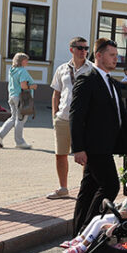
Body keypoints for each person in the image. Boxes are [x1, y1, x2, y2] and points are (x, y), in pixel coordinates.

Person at [70, 38, 127, 236]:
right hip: (93, 147)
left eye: (116, 55)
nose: (115, 59)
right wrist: (78, 148)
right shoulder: (87, 79)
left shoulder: (111, 82)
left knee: (88, 190)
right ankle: (89, 231)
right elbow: (76, 116)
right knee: (110, 185)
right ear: (99, 55)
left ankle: (78, 234)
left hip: (106, 145)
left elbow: (122, 115)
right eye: (111, 55)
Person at [60, 168, 127, 253]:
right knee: (97, 218)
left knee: (100, 224)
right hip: (124, 218)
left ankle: (83, 246)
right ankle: (80, 239)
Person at [47, 37, 94, 199]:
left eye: (86, 48)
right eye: (80, 48)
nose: (83, 51)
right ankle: (63, 188)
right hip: (63, 118)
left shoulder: (92, 69)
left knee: (86, 156)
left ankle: (84, 189)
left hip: (85, 121)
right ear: (71, 49)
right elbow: (56, 93)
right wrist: (55, 115)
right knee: (60, 154)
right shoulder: (62, 69)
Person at [0, 53, 37, 149]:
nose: (27, 62)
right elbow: (23, 86)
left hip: (12, 96)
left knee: (13, 118)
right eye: (26, 60)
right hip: (21, 98)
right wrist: (33, 86)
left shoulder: (12, 70)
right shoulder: (22, 71)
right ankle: (19, 142)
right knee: (21, 119)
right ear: (21, 61)